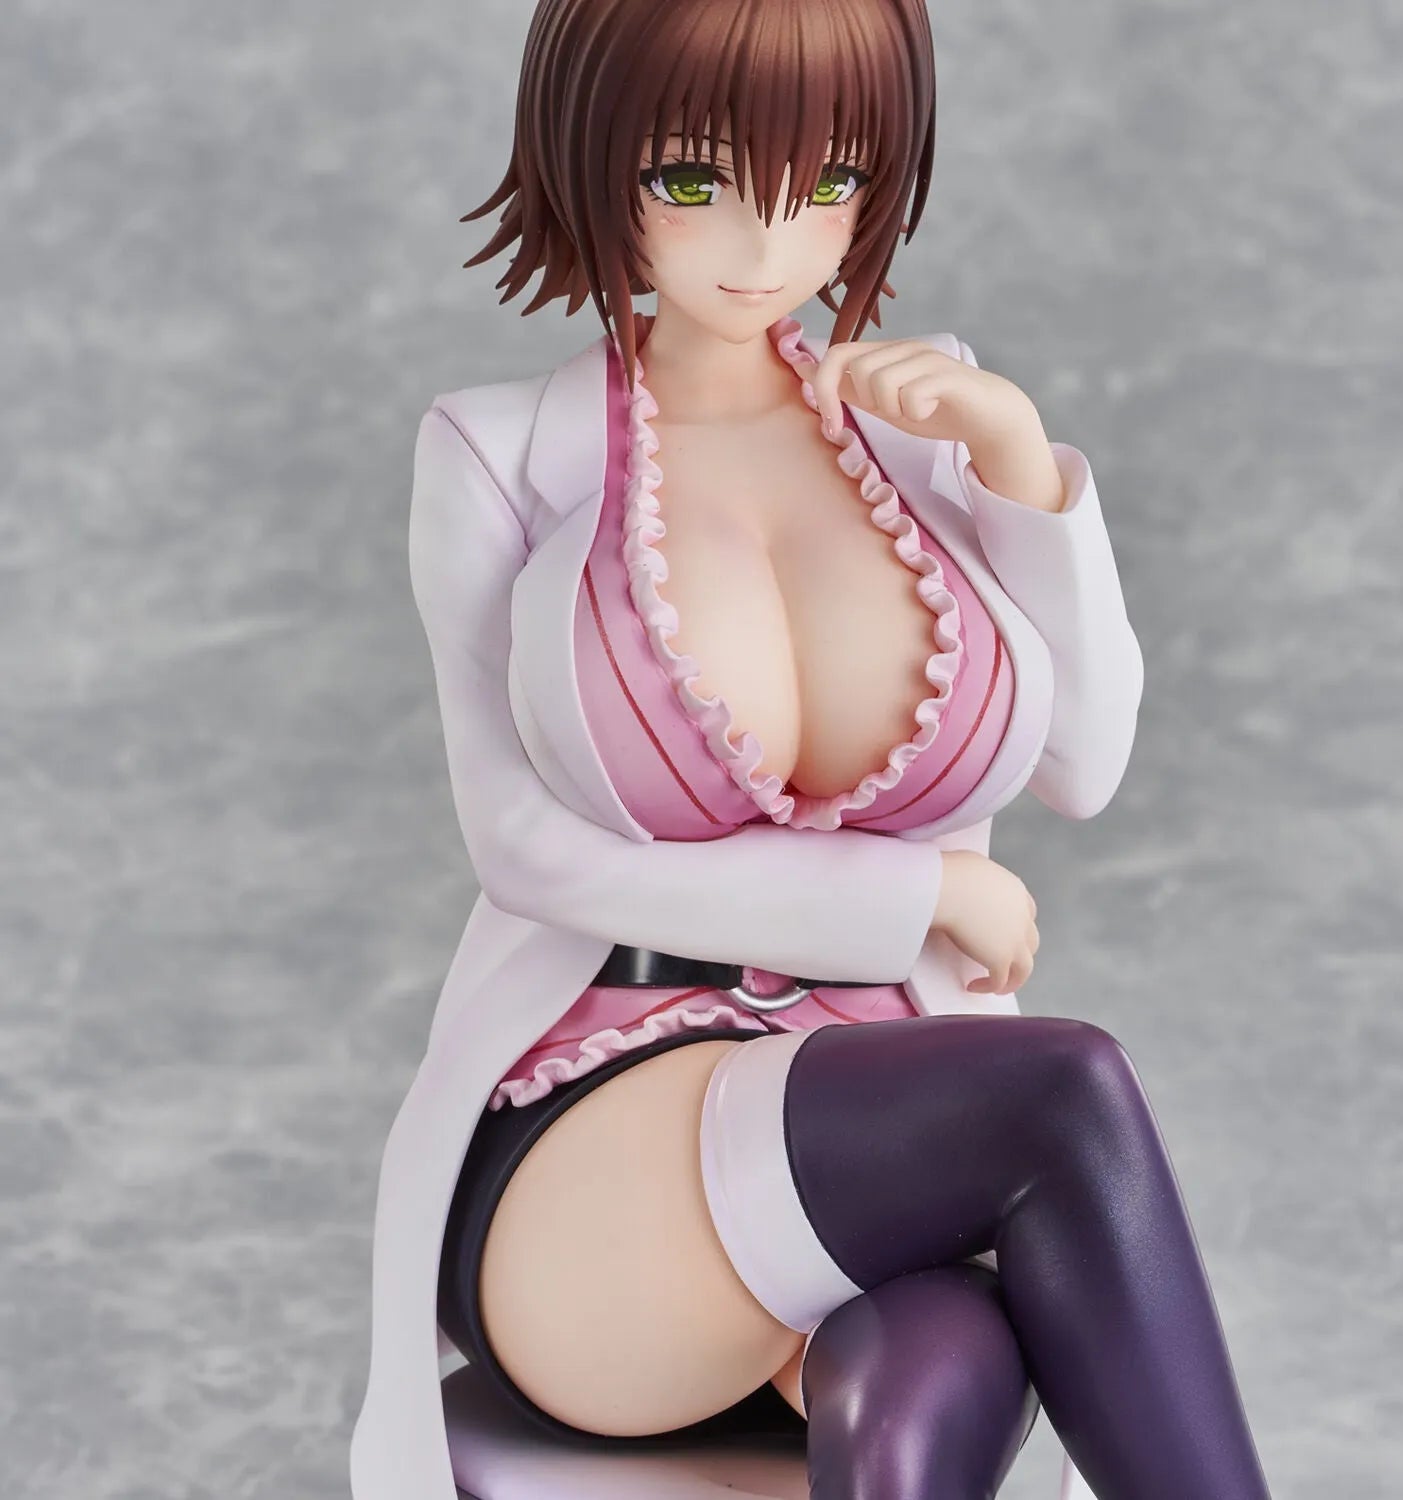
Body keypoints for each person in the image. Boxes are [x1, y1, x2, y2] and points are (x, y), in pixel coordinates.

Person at [350, 2, 1275, 1496]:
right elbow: (518, 848)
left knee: (933, 1372)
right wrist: (910, 900)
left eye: (826, 181)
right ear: (592, 154)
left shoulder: (918, 426)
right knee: (1065, 1095)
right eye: (694, 180)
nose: (765, 247)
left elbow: (1084, 762)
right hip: (600, 1163)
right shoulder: (497, 455)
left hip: (882, 1137)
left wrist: (1025, 472)